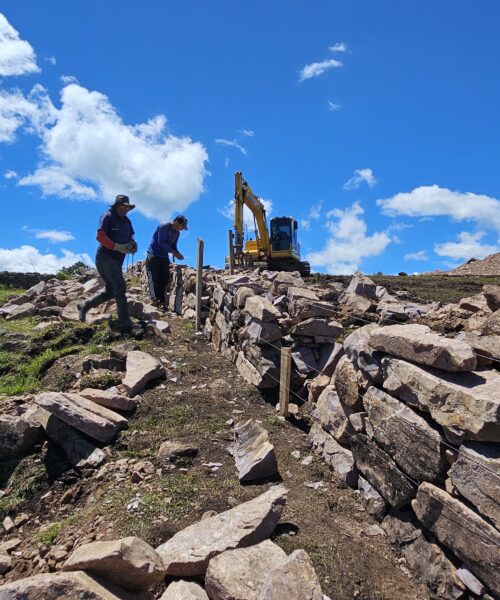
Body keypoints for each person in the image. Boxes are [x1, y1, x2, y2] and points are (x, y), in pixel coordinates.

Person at [78, 195, 137, 333]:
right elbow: (100, 236)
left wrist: (133, 245)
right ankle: (123, 319)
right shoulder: (108, 216)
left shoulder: (127, 221)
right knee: (120, 285)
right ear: (116, 206)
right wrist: (116, 246)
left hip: (117, 260)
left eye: (127, 207)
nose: (125, 209)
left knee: (111, 290)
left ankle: (84, 305)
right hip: (105, 257)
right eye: (123, 206)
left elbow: (131, 238)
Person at [146, 215, 188, 309]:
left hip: (164, 256)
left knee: (164, 278)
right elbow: (161, 243)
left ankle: (162, 300)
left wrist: (178, 253)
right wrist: (174, 253)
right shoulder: (164, 226)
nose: (181, 229)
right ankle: (154, 300)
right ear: (177, 222)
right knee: (154, 277)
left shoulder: (177, 233)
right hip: (153, 254)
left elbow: (173, 246)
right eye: (182, 227)